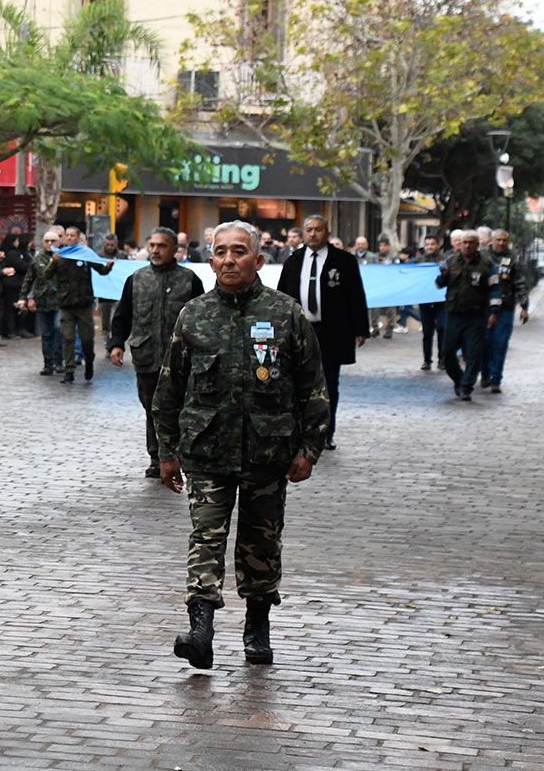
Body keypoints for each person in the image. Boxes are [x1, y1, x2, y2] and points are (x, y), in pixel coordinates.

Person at [152, 220, 329, 669]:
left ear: (258, 260)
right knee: (205, 537)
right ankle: (201, 629)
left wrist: (309, 448)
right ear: (210, 260)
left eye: (239, 251)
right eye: (221, 252)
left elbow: (314, 387)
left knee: (261, 543)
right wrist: (167, 452)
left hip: (267, 455)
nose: (229, 259)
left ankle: (257, 626)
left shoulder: (285, 314)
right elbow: (169, 388)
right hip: (207, 451)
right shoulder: (193, 315)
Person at [107, 227, 204, 478]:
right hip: (147, 356)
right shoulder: (136, 279)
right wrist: (116, 344)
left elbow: (202, 319)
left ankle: (178, 455)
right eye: (152, 245)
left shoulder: (189, 280)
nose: (155, 250)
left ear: (174, 250)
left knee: (181, 408)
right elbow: (123, 315)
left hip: (180, 359)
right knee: (153, 409)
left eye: (161, 246)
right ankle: (156, 457)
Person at [277, 214, 369, 452]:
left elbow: (355, 296)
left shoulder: (344, 261)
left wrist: (360, 328)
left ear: (326, 233)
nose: (313, 234)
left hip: (332, 331)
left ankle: (326, 432)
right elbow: (281, 296)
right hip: (300, 331)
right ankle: (300, 431)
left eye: (318, 230)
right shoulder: (294, 261)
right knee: (297, 382)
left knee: (328, 383)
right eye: (309, 229)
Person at [43, 225, 112, 384]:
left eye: (72, 235)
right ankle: (69, 371)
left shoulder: (86, 255)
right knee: (67, 337)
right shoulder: (59, 255)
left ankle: (89, 362)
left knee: (87, 339)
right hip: (66, 304)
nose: (68, 238)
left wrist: (108, 267)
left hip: (84, 303)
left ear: (78, 238)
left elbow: (101, 270)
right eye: (66, 235)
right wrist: (53, 263)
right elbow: (46, 274)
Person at [436, 230, 499, 401]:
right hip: (454, 314)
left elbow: (494, 289)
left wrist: (493, 312)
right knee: (447, 354)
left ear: (477, 245)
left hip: (476, 315)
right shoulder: (450, 261)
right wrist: (443, 276)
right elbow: (438, 284)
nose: (467, 245)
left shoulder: (487, 264)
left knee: (473, 353)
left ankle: (467, 386)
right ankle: (459, 379)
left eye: (471, 242)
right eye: (464, 242)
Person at [481, 229, 529, 393]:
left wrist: (524, 306)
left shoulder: (513, 258)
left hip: (505, 308)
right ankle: (485, 373)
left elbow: (520, 283)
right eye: (498, 240)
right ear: (492, 240)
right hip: (483, 307)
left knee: (499, 344)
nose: (501, 243)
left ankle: (496, 379)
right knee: (484, 343)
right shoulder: (482, 256)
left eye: (504, 240)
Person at [22, 229, 63, 375]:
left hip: (60, 300)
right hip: (42, 301)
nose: (50, 243)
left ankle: (59, 362)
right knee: (46, 334)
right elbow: (29, 279)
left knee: (59, 329)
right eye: (47, 241)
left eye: (53, 241)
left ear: (59, 241)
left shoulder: (64, 257)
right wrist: (26, 298)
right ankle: (48, 364)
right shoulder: (37, 259)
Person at [417, 234, 447, 371]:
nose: (429, 247)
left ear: (438, 245)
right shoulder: (419, 261)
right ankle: (427, 360)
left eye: (432, 244)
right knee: (427, 332)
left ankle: (442, 359)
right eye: (427, 244)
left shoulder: (444, 260)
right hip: (425, 300)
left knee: (442, 328)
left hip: (441, 301)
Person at [370, 235, 399, 339]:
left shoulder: (393, 257)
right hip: (377, 285)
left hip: (390, 285)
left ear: (389, 246)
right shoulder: (374, 257)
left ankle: (389, 329)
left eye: (384, 245)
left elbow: (397, 270)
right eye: (380, 245)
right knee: (374, 308)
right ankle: (375, 328)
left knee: (390, 309)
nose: (382, 247)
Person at [97, 233, 125, 339]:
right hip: (104, 294)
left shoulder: (122, 255)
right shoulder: (99, 256)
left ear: (116, 244)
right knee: (105, 322)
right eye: (107, 245)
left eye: (111, 245)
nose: (109, 247)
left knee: (116, 320)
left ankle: (115, 343)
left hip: (118, 292)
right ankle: (107, 344)